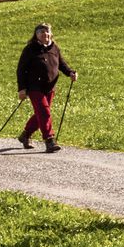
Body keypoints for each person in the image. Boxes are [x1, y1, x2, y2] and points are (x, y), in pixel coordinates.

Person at [16, 22, 77, 153]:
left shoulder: (54, 48)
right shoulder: (30, 49)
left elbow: (61, 64)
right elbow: (21, 70)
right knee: (44, 112)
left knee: (41, 114)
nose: (45, 34)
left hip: (50, 87)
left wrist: (70, 72)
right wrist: (22, 89)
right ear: (36, 35)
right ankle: (49, 140)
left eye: (47, 32)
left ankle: (25, 135)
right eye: (41, 32)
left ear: (51, 34)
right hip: (34, 86)